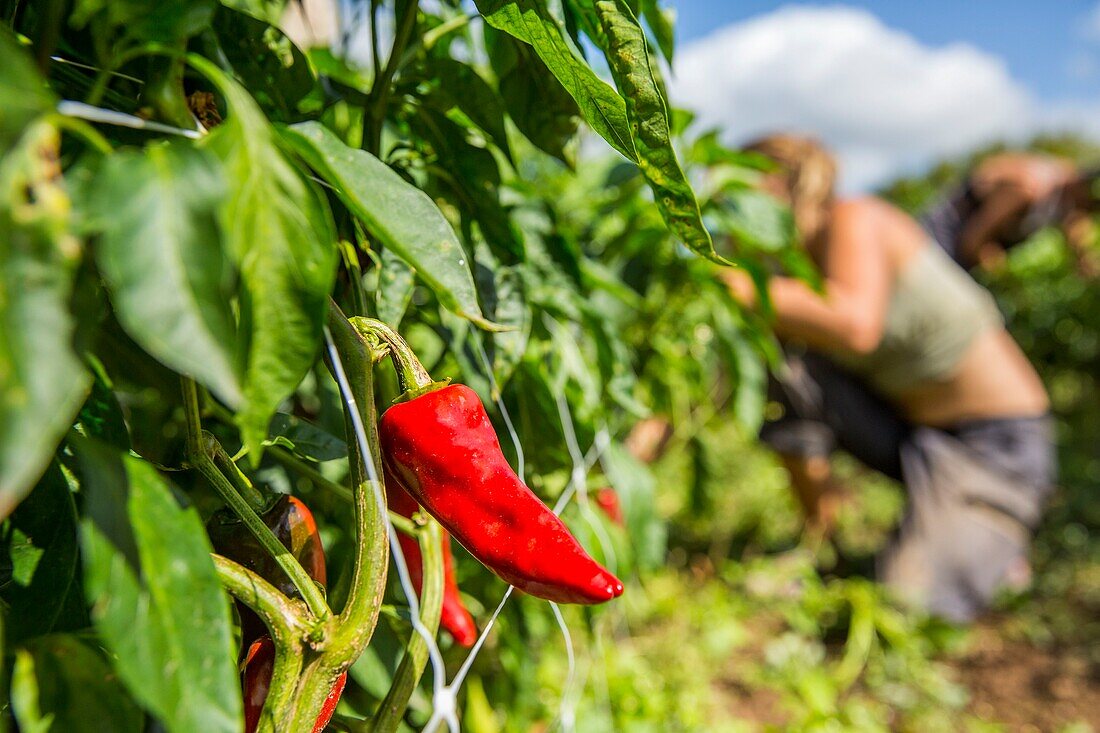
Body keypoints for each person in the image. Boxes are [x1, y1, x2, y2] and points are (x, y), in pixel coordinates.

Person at [721, 134, 1056, 623]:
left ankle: (996, 541)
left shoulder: (856, 218)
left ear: (782, 183)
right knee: (783, 363)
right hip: (914, 435)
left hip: (996, 446)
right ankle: (822, 542)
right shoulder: (789, 266)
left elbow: (856, 325)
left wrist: (736, 284)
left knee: (912, 606)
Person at [920, 151, 1099, 274]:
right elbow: (971, 242)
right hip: (943, 237)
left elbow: (1079, 238)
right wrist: (1009, 277)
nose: (1091, 213)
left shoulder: (1072, 197)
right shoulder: (1028, 188)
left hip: (975, 245)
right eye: (1094, 206)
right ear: (1085, 188)